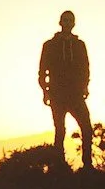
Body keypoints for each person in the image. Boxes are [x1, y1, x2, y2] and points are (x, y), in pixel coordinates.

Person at [38, 10, 93, 168]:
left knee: (87, 128)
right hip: (57, 93)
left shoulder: (79, 45)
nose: (68, 23)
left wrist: (85, 86)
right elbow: (42, 71)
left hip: (76, 94)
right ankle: (59, 164)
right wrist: (45, 91)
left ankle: (87, 165)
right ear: (60, 22)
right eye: (65, 20)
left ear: (74, 24)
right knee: (60, 130)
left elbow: (85, 68)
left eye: (70, 21)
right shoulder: (49, 45)